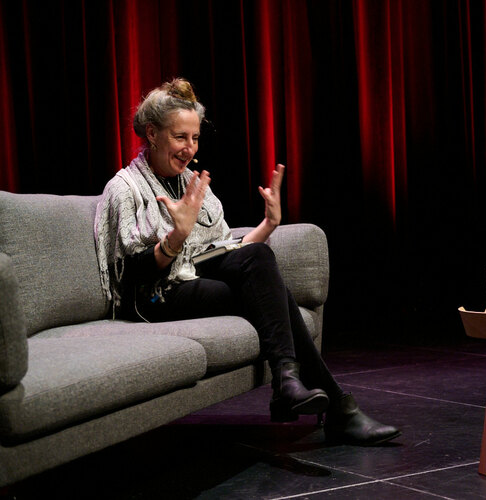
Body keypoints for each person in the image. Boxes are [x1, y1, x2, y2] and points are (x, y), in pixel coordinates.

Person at [94, 78, 400, 445]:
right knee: (270, 296)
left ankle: (289, 381)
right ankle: (329, 403)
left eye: (195, 138)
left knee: (258, 256)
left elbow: (221, 250)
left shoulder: (191, 183)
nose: (190, 148)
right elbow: (129, 275)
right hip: (154, 297)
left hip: (191, 277)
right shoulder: (125, 188)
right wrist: (175, 239)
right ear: (152, 133)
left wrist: (269, 224)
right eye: (180, 137)